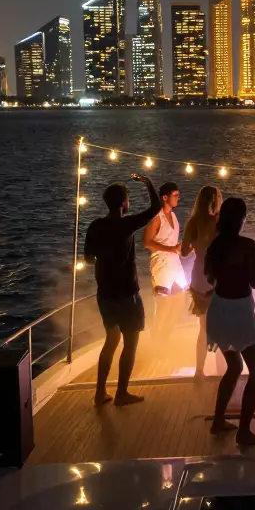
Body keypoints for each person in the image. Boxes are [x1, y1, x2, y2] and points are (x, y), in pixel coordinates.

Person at [81, 173, 161, 407]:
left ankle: (100, 392)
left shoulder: (95, 226)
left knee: (111, 340)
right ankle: (122, 393)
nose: (129, 202)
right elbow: (155, 208)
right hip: (127, 294)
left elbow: (88, 259)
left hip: (105, 294)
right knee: (130, 343)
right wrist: (148, 183)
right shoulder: (126, 224)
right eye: (127, 198)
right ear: (123, 203)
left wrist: (104, 259)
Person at [205, 197, 255, 446]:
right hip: (240, 313)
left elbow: (212, 278)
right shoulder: (246, 245)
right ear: (241, 219)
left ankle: (218, 420)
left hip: (219, 310)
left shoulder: (216, 246)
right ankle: (243, 431)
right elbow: (254, 282)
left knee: (234, 367)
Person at [180, 185, 223, 378]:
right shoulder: (219, 222)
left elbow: (184, 252)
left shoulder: (193, 222)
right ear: (216, 200)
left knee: (203, 328)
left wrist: (197, 245)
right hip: (216, 276)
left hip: (198, 277)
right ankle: (223, 372)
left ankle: (199, 370)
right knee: (221, 328)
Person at [144, 182, 187, 296]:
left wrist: (182, 247)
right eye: (175, 195)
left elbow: (170, 240)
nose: (178, 198)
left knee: (182, 296)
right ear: (165, 197)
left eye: (178, 195)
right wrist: (172, 249)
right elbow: (147, 242)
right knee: (163, 300)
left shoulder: (173, 215)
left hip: (175, 262)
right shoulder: (157, 217)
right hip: (160, 263)